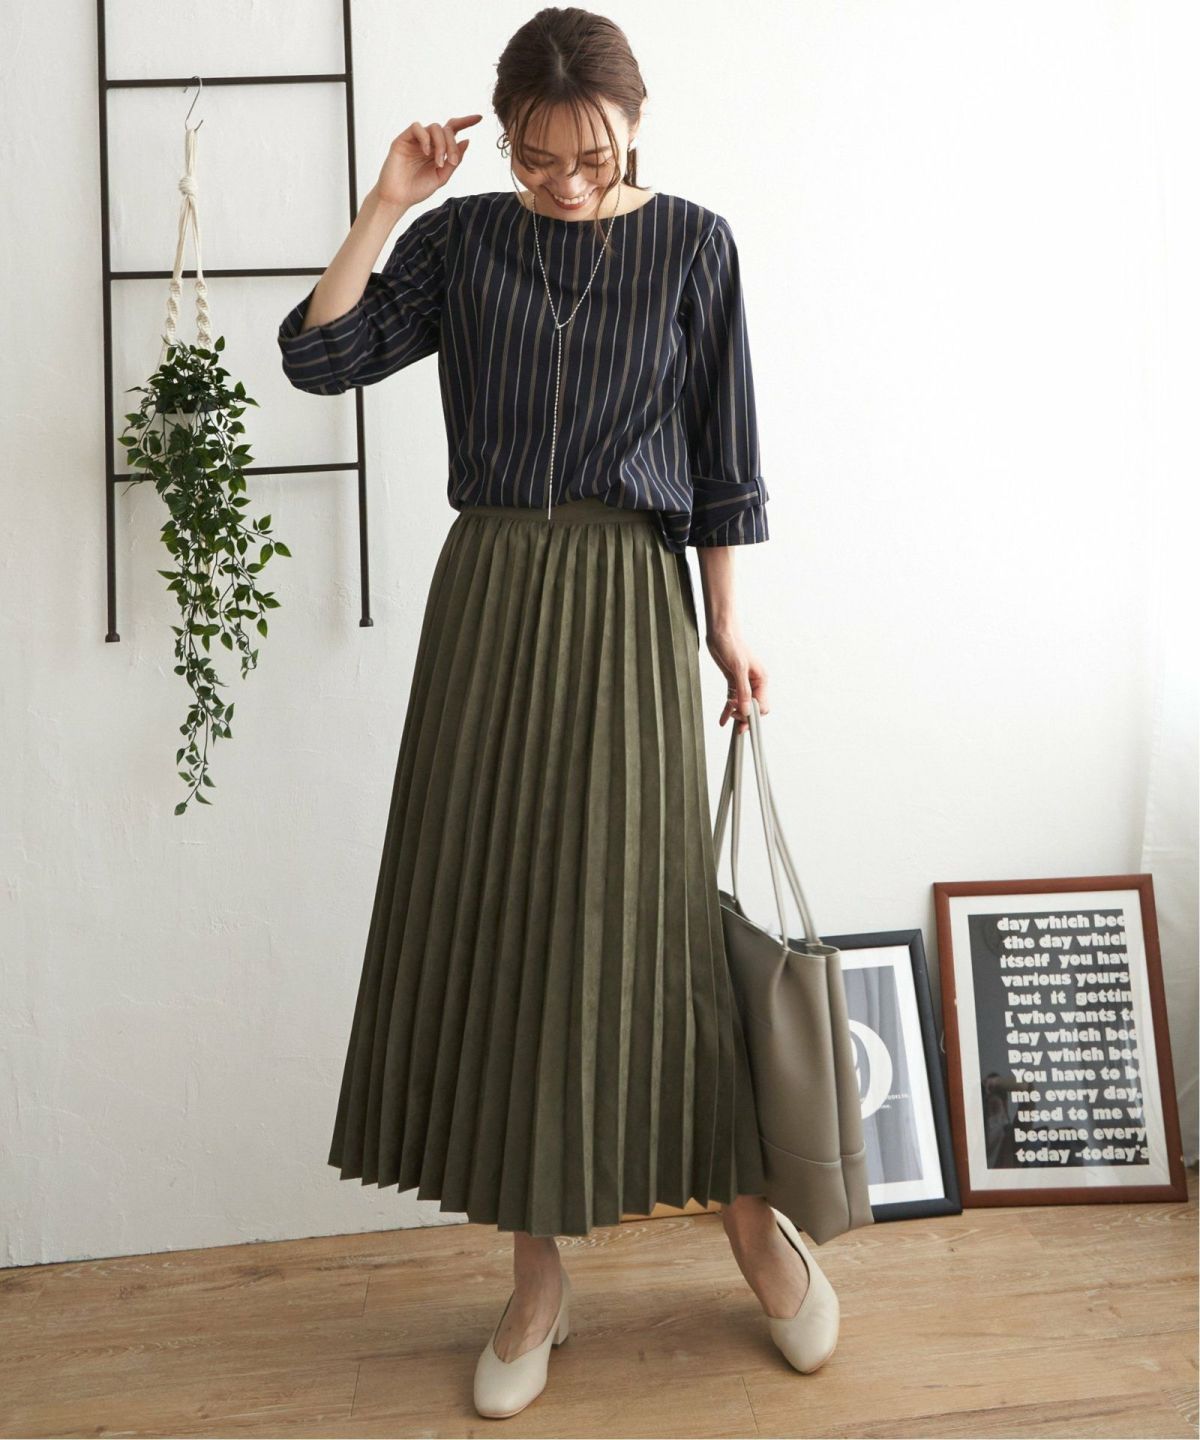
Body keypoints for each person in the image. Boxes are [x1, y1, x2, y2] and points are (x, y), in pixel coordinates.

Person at [278, 6, 840, 1420]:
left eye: (592, 157)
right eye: (537, 160)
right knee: (506, 927)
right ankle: (537, 1281)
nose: (568, 184)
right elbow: (319, 358)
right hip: (490, 601)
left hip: (631, 599)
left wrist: (725, 626)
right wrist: (388, 205)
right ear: (506, 143)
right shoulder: (466, 240)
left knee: (656, 926)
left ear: (634, 126)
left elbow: (725, 459)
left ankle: (751, 1227)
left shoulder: (696, 245)